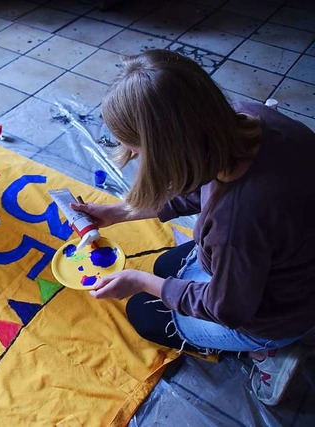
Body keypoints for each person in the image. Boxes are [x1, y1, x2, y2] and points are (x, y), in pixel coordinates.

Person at [72, 49, 315, 406]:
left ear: (167, 151)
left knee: (144, 310)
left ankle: (269, 354)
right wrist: (118, 212)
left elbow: (228, 309)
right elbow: (198, 188)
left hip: (282, 311)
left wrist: (140, 282)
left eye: (137, 152)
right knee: (166, 268)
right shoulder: (249, 117)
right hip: (293, 264)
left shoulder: (236, 222)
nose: (135, 159)